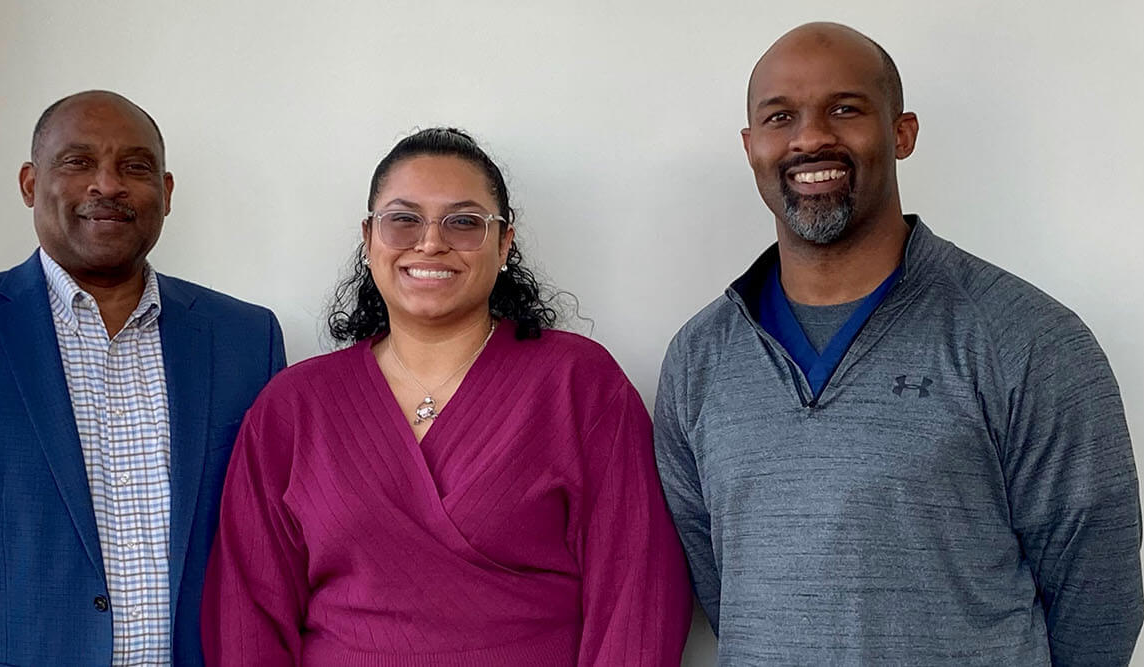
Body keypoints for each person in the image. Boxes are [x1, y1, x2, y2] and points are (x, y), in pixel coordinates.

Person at [653, 22, 1143, 664]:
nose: (810, 137)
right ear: (751, 146)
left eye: (845, 108)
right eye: (781, 117)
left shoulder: (1027, 338)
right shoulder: (699, 357)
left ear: (902, 132)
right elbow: (718, 582)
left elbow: (1097, 592)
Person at [200, 128, 690, 666]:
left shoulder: (579, 384)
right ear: (369, 239)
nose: (431, 242)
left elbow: (637, 593)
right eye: (404, 219)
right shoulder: (293, 407)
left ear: (505, 242)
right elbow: (247, 614)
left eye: (463, 222)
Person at [0, 90, 286, 665]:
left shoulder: (245, 340)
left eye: (135, 167)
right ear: (31, 184)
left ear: (167, 192)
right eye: (78, 162)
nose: (107, 185)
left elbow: (274, 553)